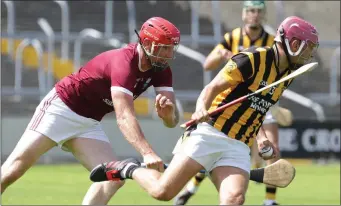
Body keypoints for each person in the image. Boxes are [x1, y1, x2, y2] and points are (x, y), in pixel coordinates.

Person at [89, 16, 319, 205]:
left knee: (234, 198)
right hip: (210, 132)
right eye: (305, 46)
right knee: (162, 192)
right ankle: (128, 168)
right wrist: (200, 110)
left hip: (238, 145)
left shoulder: (288, 75)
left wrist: (262, 139)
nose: (308, 53)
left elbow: (257, 108)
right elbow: (211, 88)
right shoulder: (250, 60)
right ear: (291, 42)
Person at [1, 17, 181, 205]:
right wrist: (148, 152)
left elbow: (172, 121)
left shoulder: (162, 70)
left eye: (171, 48)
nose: (169, 54)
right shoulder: (125, 63)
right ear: (146, 43)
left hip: (88, 123)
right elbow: (124, 117)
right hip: (60, 109)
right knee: (12, 170)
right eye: (165, 48)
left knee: (113, 178)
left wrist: (169, 116)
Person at [174, 1, 284, 205]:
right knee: (217, 142)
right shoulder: (231, 37)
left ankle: (270, 200)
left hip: (260, 100)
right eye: (251, 11)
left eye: (259, 11)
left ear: (264, 15)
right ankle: (192, 186)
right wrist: (223, 55)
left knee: (272, 146)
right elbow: (208, 64)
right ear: (244, 14)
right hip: (231, 98)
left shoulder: (271, 41)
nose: (255, 15)